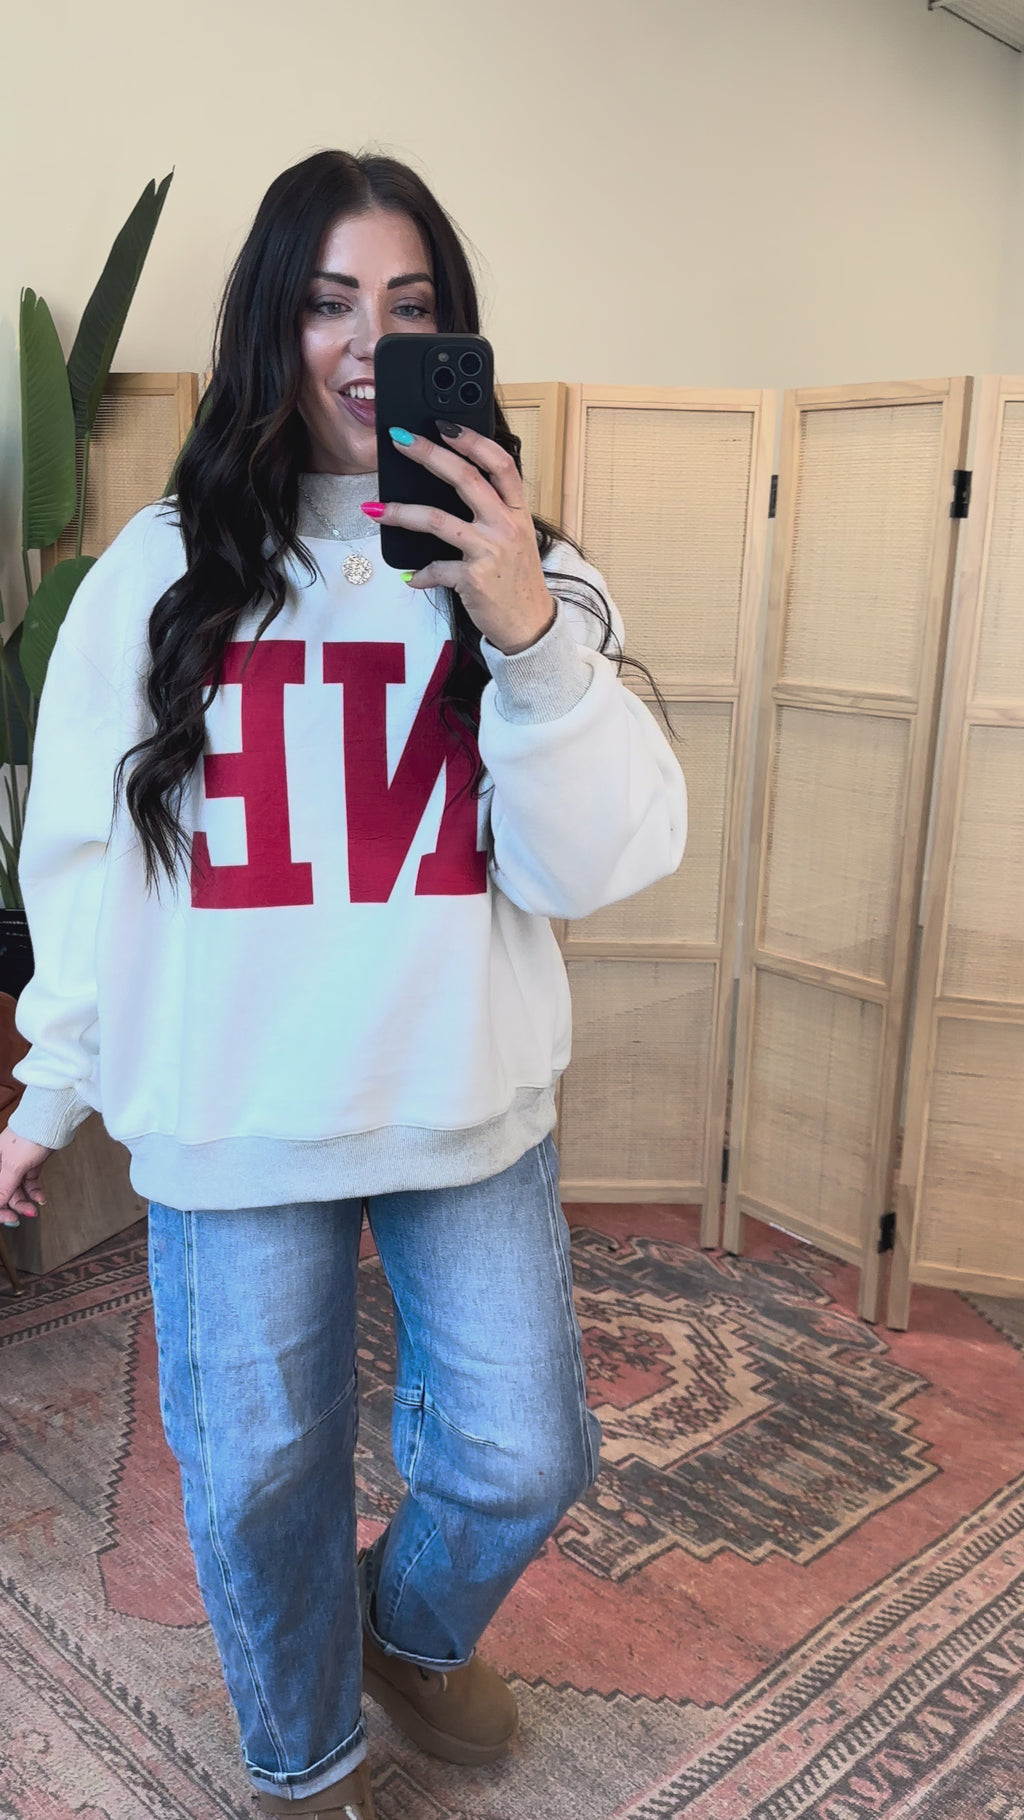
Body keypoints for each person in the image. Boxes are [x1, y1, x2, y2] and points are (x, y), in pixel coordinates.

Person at [0, 150, 687, 1817]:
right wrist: (50, 1085)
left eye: (409, 304)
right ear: (269, 324)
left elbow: (598, 864)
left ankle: (407, 1628)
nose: (368, 342)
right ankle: (303, 1768)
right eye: (327, 303)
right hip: (236, 1111)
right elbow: (85, 857)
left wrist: (522, 627)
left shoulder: (528, 570)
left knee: (525, 1454)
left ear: (456, 331)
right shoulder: (154, 575)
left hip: (464, 1092)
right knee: (259, 1484)